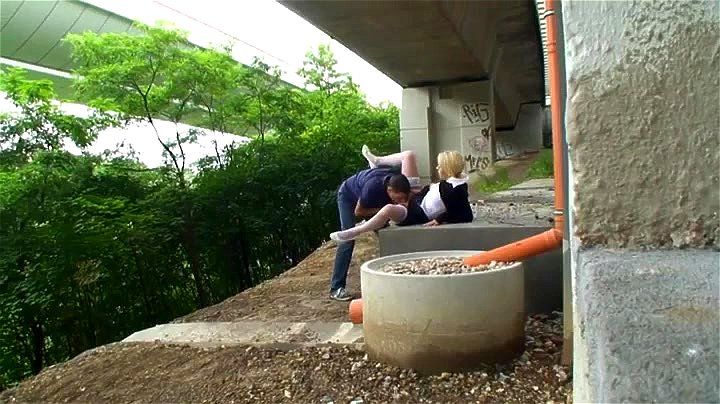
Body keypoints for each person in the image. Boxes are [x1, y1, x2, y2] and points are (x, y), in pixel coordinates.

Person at [329, 147, 473, 243]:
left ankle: (353, 232)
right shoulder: (451, 180)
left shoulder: (456, 189)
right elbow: (431, 193)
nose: (437, 168)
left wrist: (440, 219)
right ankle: (377, 161)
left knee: (388, 209)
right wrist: (413, 193)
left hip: (415, 213)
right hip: (415, 198)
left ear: (448, 167)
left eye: (440, 165)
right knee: (408, 156)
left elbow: (466, 215)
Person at [329, 165, 413, 301]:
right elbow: (359, 211)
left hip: (374, 202)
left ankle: (395, 277)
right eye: (398, 199)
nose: (402, 202)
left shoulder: (397, 180)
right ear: (390, 190)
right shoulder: (372, 188)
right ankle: (336, 288)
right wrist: (383, 211)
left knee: (387, 234)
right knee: (348, 240)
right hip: (349, 197)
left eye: (404, 198)